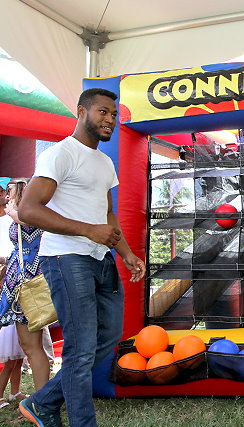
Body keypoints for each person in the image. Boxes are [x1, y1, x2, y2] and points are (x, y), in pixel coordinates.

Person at [18, 88, 145, 427]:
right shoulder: (60, 154)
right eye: (103, 112)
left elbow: (107, 214)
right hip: (66, 258)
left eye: (114, 115)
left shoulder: (105, 162)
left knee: (108, 337)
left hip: (102, 259)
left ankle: (42, 402)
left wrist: (127, 253)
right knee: (80, 349)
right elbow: (28, 209)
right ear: (81, 112)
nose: (110, 119)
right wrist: (88, 231)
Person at [0, 179, 51, 393]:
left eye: (9, 192)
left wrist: (13, 212)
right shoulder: (25, 213)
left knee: (32, 346)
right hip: (20, 283)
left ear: (21, 191)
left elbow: (27, 224)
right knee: (29, 346)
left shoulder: (29, 214)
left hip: (27, 283)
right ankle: (41, 398)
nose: (6, 196)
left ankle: (42, 399)